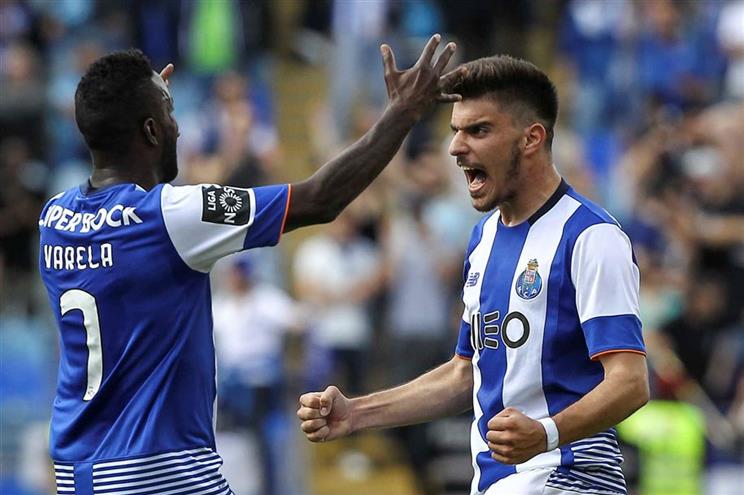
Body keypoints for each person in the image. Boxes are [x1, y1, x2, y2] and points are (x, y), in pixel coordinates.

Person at [38, 34, 464, 494]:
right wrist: (403, 112)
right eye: (170, 116)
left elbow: (116, 133)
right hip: (161, 472)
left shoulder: (54, 218)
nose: (178, 129)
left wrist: (143, 104)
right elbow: (319, 199)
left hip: (78, 475)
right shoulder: (171, 216)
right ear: (150, 132)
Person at [297, 55, 650, 495]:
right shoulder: (484, 238)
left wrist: (547, 433)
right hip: (499, 483)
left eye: (478, 131)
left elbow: (630, 382)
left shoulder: (591, 237)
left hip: (568, 478)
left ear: (531, 139)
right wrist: (357, 413)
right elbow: (465, 374)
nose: (455, 147)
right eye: (455, 131)